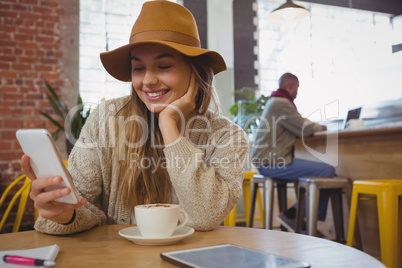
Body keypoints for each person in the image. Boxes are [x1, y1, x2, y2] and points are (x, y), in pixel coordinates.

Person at [21, 0, 249, 235]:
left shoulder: (227, 136)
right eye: (138, 68)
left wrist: (169, 126)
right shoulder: (106, 119)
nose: (148, 81)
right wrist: (66, 214)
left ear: (196, 71)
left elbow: (204, 216)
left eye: (163, 66)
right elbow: (83, 207)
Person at [251, 72, 335, 232]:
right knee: (327, 171)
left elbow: (295, 126)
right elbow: (305, 128)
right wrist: (320, 127)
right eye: (298, 87)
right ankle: (294, 216)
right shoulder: (281, 103)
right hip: (272, 162)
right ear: (291, 85)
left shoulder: (275, 102)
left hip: (270, 161)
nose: (298, 91)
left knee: (328, 174)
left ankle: (299, 220)